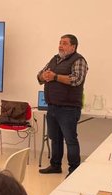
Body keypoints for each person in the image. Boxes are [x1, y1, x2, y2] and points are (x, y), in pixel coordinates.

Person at [37, 34, 88, 175]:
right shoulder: (55, 59)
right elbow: (40, 75)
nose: (60, 45)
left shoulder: (79, 60)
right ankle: (55, 165)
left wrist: (55, 77)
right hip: (52, 106)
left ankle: (74, 170)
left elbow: (76, 79)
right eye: (60, 42)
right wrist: (44, 76)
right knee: (55, 138)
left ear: (73, 46)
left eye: (64, 43)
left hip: (69, 108)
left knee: (70, 140)